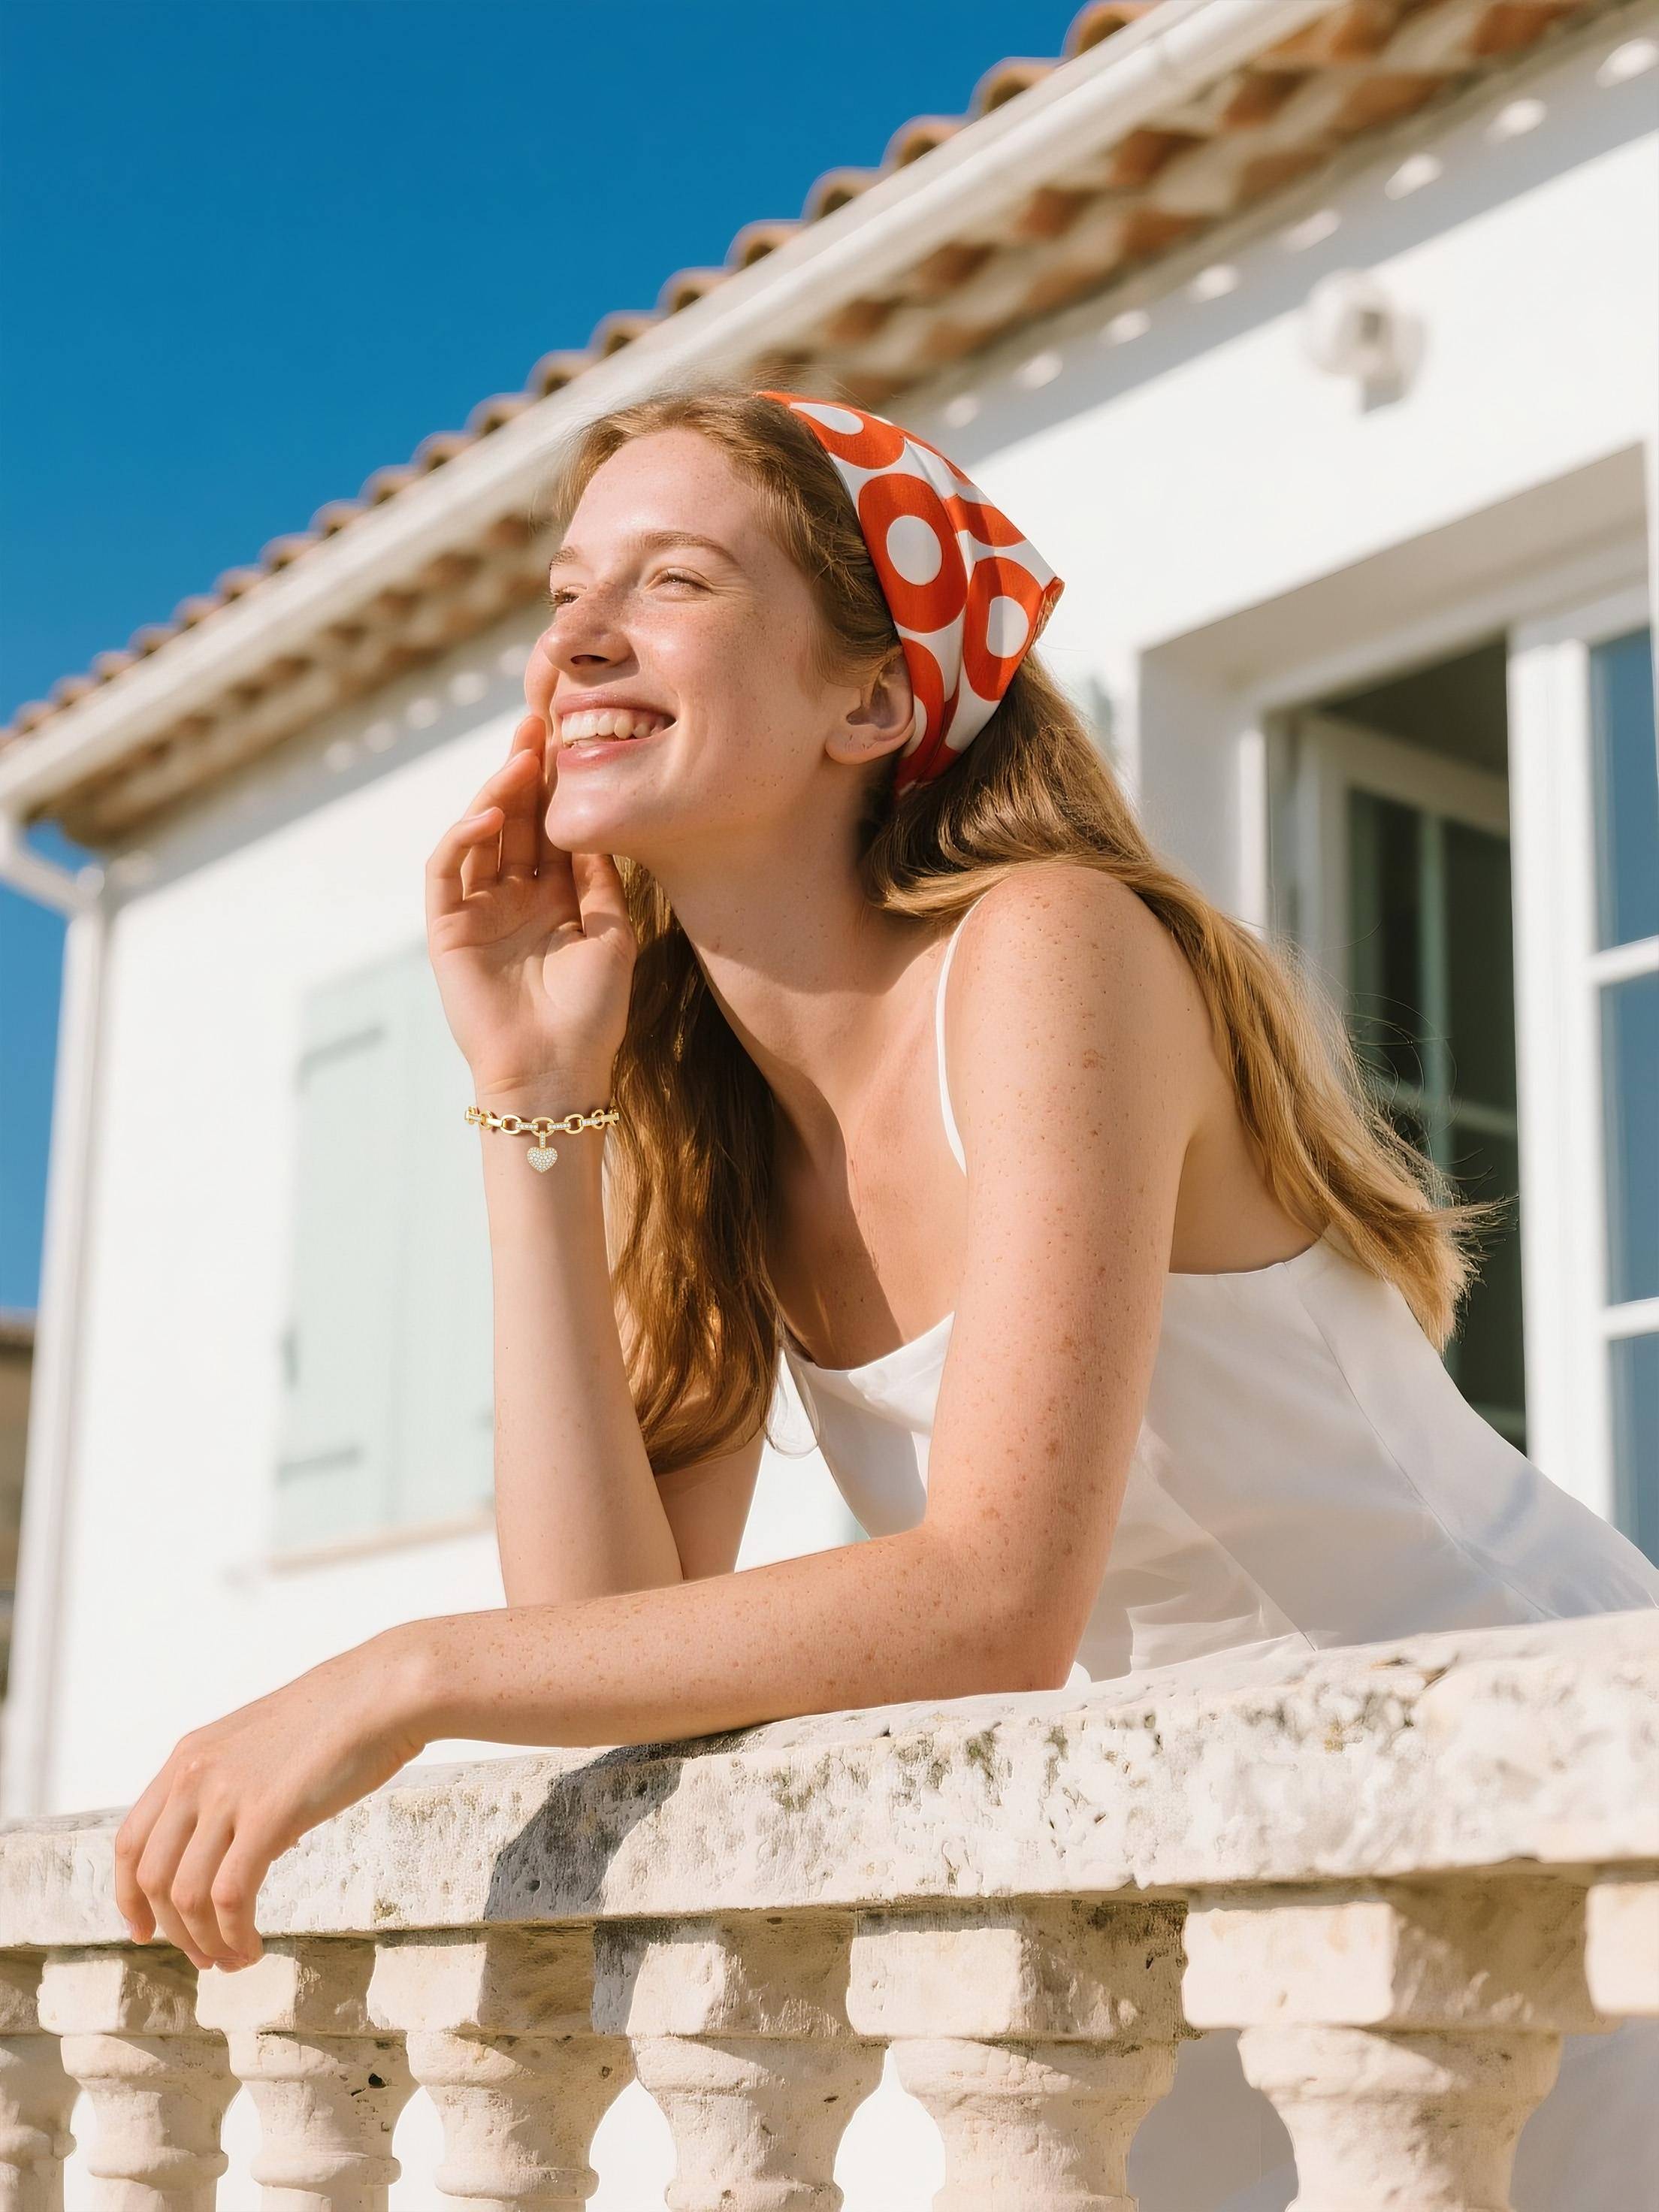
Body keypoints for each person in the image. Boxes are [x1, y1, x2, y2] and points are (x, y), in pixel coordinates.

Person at [114, 382, 1659, 2206]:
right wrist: (534, 1103)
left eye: (672, 579)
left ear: (873, 693)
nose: (581, 637)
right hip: (1185, 1890)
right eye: (562, 593)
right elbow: (613, 1635)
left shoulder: (1052, 947)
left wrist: (401, 1674)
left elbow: (995, 1593)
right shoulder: (708, 1123)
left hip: (1525, 1839)